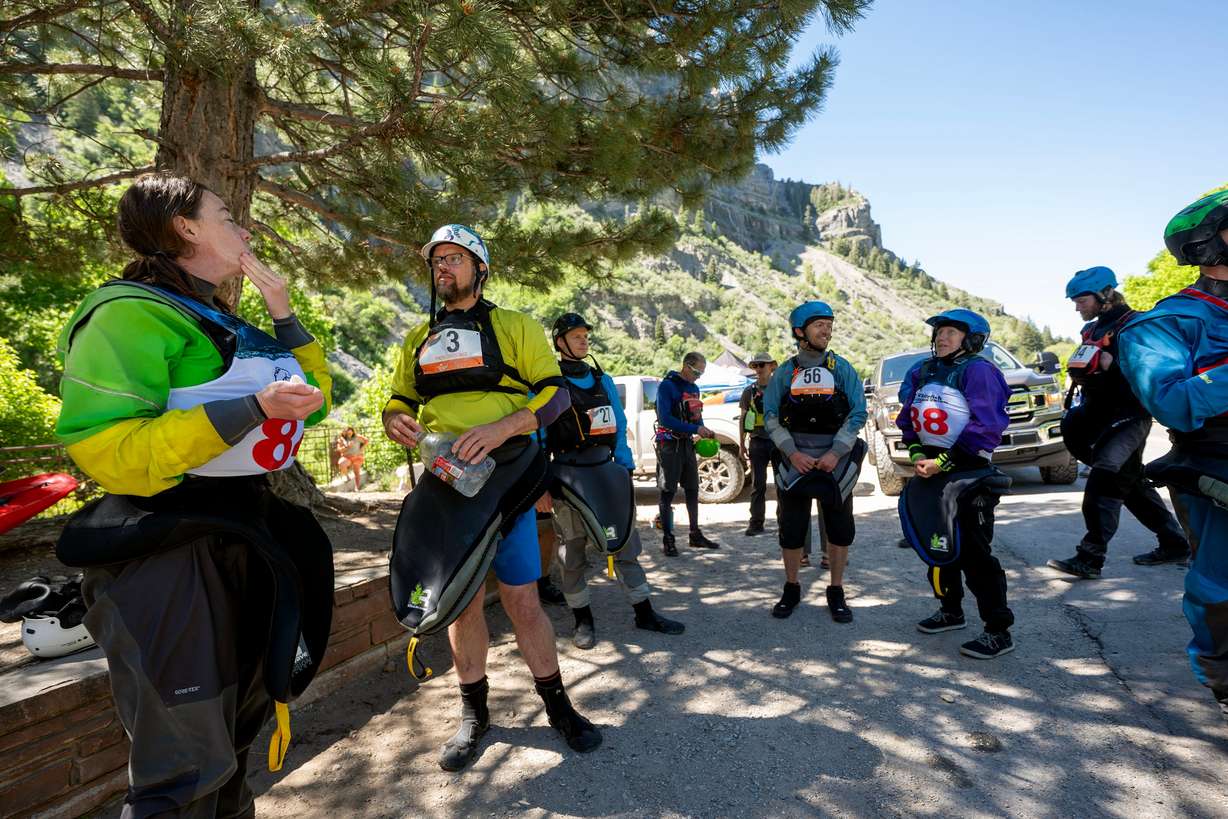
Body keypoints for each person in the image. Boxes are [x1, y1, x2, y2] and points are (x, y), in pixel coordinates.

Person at [53, 173, 335, 816]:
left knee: (233, 748)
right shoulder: (125, 313)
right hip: (169, 551)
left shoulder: (215, 314)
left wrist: (285, 316)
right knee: (183, 769)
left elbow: (312, 408)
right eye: (227, 214)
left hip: (243, 535)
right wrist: (247, 409)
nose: (245, 228)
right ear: (186, 227)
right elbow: (109, 450)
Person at [382, 224, 601, 771]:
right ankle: (473, 715)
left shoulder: (514, 327)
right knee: (460, 604)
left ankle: (558, 707)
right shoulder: (419, 339)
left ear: (480, 269)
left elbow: (555, 394)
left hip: (507, 482)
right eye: (438, 261)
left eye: (456, 259)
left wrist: (506, 428)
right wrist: (395, 420)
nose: (444, 268)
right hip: (446, 484)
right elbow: (397, 399)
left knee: (523, 600)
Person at [1118, 189, 1228, 721]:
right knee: (1220, 590)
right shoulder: (1164, 323)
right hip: (1217, 471)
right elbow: (1175, 403)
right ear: (1210, 243)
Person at [538, 312, 685, 649]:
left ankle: (644, 612)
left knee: (625, 544)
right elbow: (539, 439)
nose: (583, 340)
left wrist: (625, 465)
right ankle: (582, 620)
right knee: (572, 553)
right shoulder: (550, 383)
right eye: (575, 336)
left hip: (606, 471)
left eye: (585, 335)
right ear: (560, 343)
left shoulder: (601, 379)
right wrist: (543, 485)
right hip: (568, 477)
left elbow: (617, 425)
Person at [1047, 267, 1189, 579]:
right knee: (1131, 483)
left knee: (1105, 480)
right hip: (1097, 418)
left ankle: (1090, 557)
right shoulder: (1094, 330)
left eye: (1081, 300)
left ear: (1106, 294)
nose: (1077, 307)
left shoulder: (1136, 325)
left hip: (1129, 417)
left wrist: (1117, 365)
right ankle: (1175, 542)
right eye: (1075, 301)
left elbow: (1156, 370)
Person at [896, 309, 1016, 659]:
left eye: (950, 332)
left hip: (969, 471)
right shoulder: (925, 371)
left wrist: (943, 462)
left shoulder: (979, 371)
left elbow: (985, 426)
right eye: (939, 333)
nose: (942, 338)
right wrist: (918, 452)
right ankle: (951, 610)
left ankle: (998, 630)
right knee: (938, 544)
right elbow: (908, 418)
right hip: (933, 468)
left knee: (976, 555)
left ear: (972, 339)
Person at [763, 302, 867, 622]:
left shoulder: (842, 368)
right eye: (819, 324)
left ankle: (836, 590)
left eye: (829, 324)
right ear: (799, 332)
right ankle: (792, 587)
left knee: (839, 528)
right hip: (795, 460)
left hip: (835, 460)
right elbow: (771, 416)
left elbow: (857, 413)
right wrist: (792, 453)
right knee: (791, 528)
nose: (827, 330)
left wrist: (836, 452)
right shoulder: (784, 372)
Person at [654, 352, 720, 555]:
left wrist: (704, 430)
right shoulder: (667, 386)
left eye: (702, 373)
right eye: (697, 372)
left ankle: (695, 534)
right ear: (686, 366)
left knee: (692, 489)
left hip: (686, 445)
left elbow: (696, 417)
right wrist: (696, 430)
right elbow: (665, 419)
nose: (698, 376)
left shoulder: (694, 389)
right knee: (668, 492)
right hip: (669, 445)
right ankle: (668, 539)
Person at [740, 352, 778, 536]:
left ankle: (785, 521)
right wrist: (741, 444)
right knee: (758, 485)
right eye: (755, 366)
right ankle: (756, 523)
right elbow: (743, 417)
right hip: (757, 442)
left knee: (782, 483)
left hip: (779, 441)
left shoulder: (780, 389)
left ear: (772, 366)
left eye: (762, 365)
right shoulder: (749, 391)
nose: (758, 369)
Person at [335, 426, 369, 491]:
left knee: (357, 472)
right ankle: (347, 477)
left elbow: (366, 440)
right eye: (348, 433)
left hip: (358, 457)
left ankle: (356, 488)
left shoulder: (357, 437)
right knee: (341, 463)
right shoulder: (341, 440)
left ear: (353, 432)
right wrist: (347, 447)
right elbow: (340, 450)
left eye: (351, 433)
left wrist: (362, 448)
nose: (349, 434)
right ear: (345, 433)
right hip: (347, 457)